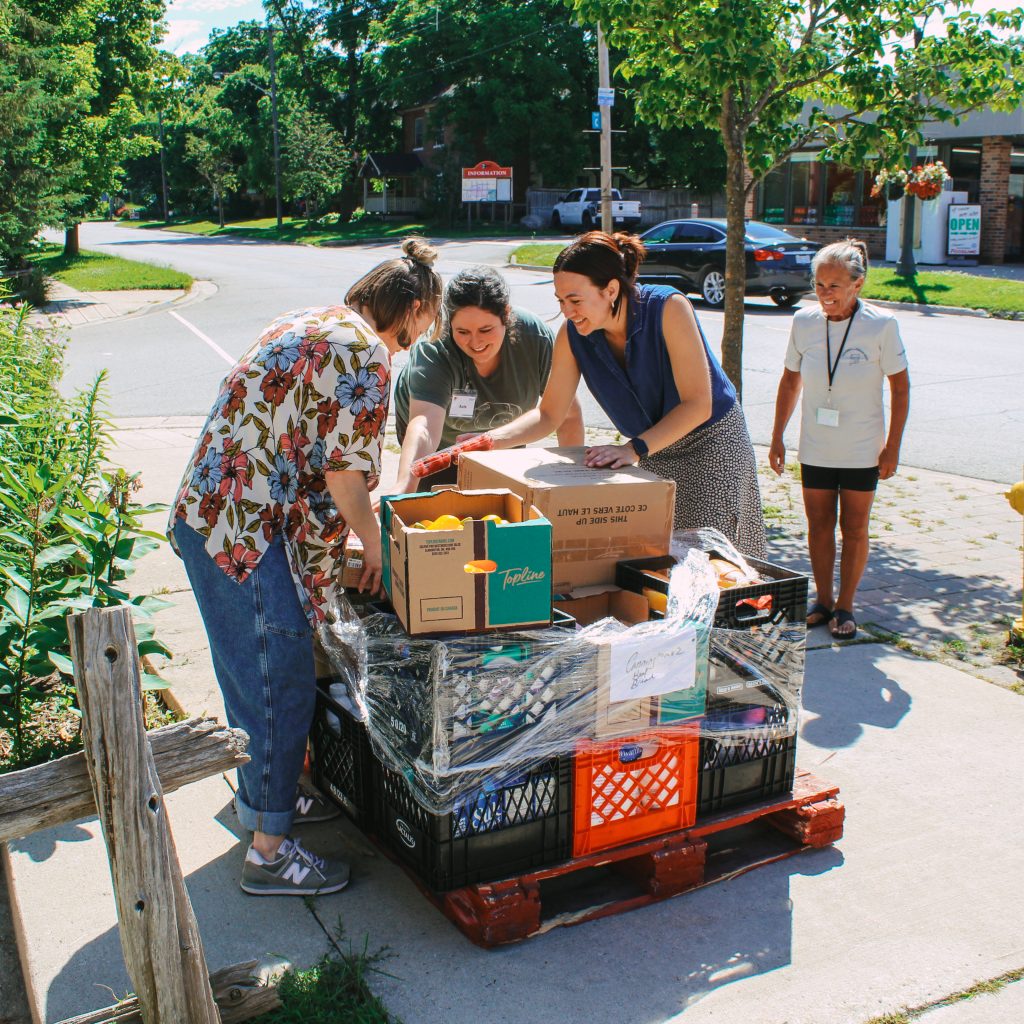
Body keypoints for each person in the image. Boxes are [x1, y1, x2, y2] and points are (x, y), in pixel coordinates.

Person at [168, 238, 442, 896]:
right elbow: (344, 473)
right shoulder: (363, 352)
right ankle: (269, 852)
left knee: (253, 674)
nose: (413, 344)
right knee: (277, 678)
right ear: (411, 306)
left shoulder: (307, 322)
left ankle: (268, 798)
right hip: (244, 531)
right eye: (422, 327)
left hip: (216, 516)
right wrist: (374, 543)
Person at [481, 231, 766, 557]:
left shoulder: (669, 308)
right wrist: (489, 440)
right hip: (647, 450)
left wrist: (634, 449)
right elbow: (549, 414)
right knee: (656, 557)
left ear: (611, 290)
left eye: (575, 300)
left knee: (710, 560)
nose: (567, 311)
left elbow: (699, 404)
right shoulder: (572, 335)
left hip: (709, 443)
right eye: (560, 301)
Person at [769, 238, 910, 640]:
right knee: (817, 524)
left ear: (857, 285)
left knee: (854, 527)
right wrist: (777, 435)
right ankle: (823, 600)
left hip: (863, 448)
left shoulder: (882, 326)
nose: (825, 294)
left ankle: (846, 604)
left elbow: (900, 388)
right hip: (816, 445)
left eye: (834, 286)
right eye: (818, 285)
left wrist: (893, 446)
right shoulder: (804, 322)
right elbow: (790, 380)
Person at [390, 265, 584, 494]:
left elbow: (567, 415)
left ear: (506, 315)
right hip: (439, 447)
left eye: (485, 329)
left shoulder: (535, 338)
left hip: (504, 440)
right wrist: (406, 483)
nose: (475, 343)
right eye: (462, 332)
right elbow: (423, 426)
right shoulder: (434, 346)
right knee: (440, 510)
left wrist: (575, 483)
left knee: (503, 511)